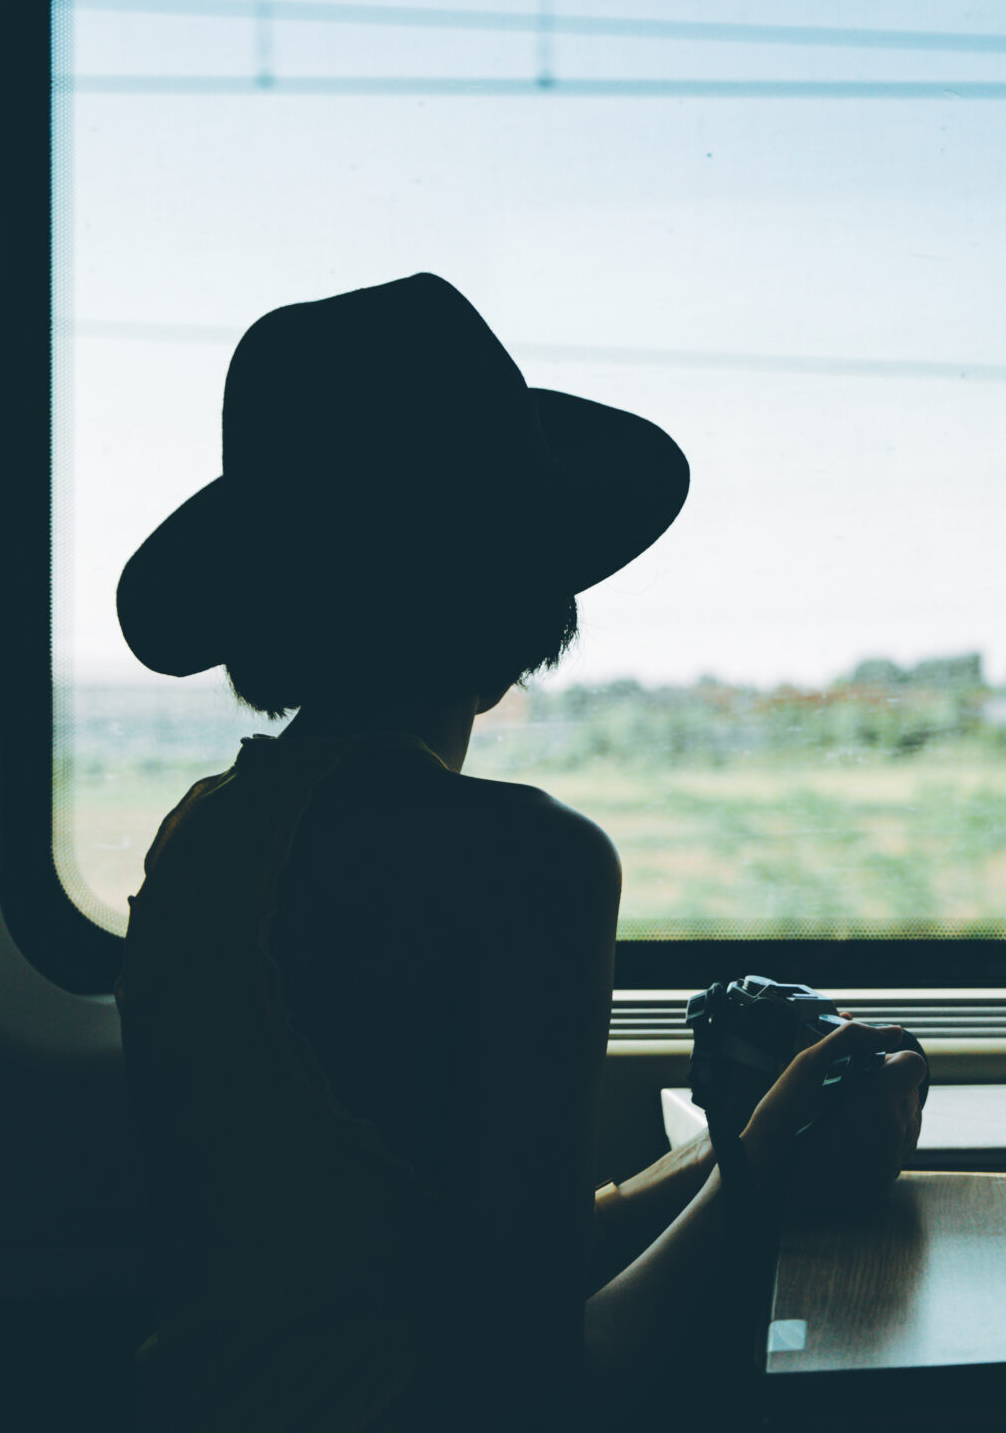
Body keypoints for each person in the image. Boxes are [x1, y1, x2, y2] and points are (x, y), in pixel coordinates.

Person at [111, 273, 926, 1430]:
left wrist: (735, 1150)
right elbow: (543, 1384)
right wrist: (777, 1152)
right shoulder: (525, 868)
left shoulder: (200, 837)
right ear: (511, 589)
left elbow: (463, 1261)